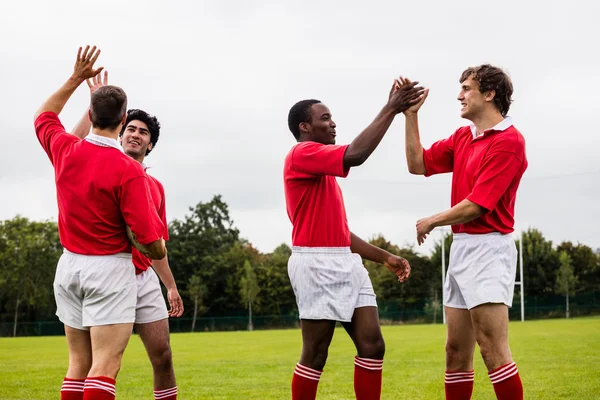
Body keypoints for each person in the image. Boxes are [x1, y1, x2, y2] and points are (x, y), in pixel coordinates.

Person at [34, 46, 167, 400]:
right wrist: (155, 245)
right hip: (108, 270)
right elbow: (150, 242)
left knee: (78, 364)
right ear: (124, 121)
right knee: (105, 367)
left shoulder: (64, 148)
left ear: (90, 112)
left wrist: (77, 78)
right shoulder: (129, 171)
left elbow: (45, 114)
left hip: (68, 268)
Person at [284, 78, 423, 400]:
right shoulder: (302, 154)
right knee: (316, 354)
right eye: (325, 118)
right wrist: (391, 108)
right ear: (305, 127)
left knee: (373, 346)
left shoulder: (322, 169)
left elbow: (339, 234)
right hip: (314, 263)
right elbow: (356, 154)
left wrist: (384, 256)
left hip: (345, 262)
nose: (333, 124)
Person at [401, 65, 527, 400]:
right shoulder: (463, 137)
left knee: (492, 350)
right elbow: (417, 164)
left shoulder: (510, 141)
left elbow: (479, 205)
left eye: (467, 88)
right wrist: (410, 116)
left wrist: (432, 220)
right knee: (455, 353)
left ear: (490, 94)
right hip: (461, 249)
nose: (459, 95)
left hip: (489, 250)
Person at [71, 72, 183, 400]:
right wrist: (92, 105)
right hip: (105, 272)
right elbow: (72, 143)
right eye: (131, 128)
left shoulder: (155, 187)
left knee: (162, 353)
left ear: (151, 144)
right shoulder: (100, 164)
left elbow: (155, 247)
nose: (135, 134)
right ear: (120, 133)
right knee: (99, 363)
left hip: (142, 276)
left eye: (143, 132)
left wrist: (171, 286)